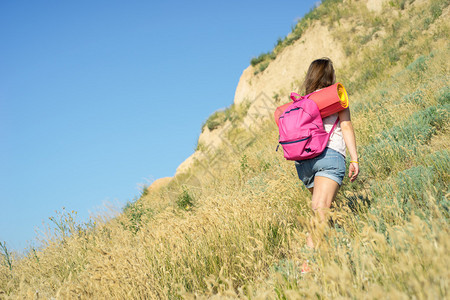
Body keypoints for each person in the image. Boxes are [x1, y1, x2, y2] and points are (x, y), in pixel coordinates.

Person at [294, 58, 359, 251]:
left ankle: (332, 253)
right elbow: (346, 126)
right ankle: (309, 263)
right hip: (329, 155)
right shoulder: (335, 96)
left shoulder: (302, 102)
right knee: (321, 209)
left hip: (303, 162)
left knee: (321, 210)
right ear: (330, 75)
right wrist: (354, 158)